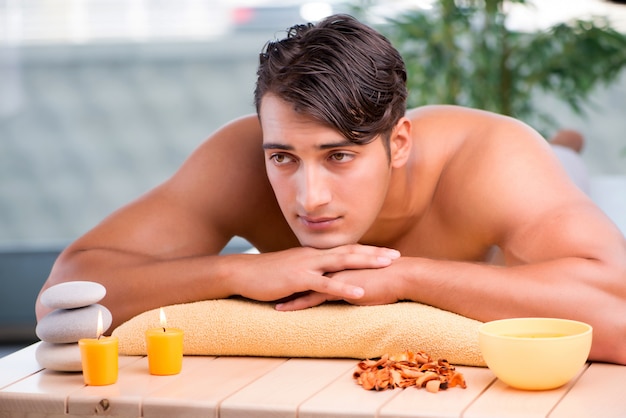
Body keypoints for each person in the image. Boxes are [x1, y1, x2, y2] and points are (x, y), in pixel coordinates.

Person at [36, 14, 626, 364]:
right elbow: (66, 291)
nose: (308, 195)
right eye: (284, 158)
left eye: (339, 155)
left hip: (538, 172)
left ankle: (566, 145)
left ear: (397, 144)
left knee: (562, 162)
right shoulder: (238, 158)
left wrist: (405, 276)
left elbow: (616, 308)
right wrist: (235, 272)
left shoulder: (494, 158)